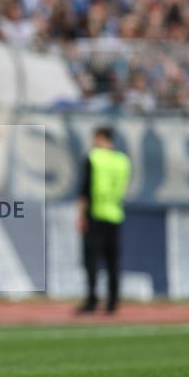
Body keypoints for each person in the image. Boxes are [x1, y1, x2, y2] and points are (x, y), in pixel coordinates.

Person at [76, 126, 131, 315]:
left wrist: (81, 216)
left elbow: (85, 190)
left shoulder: (94, 158)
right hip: (115, 214)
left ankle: (92, 300)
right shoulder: (122, 160)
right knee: (112, 261)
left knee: (91, 260)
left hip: (95, 214)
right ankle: (113, 302)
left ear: (100, 137)